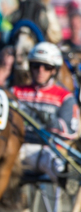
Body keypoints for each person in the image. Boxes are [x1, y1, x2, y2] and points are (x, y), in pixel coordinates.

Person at [13, 42, 80, 185]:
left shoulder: (65, 97)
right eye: (35, 66)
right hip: (19, 147)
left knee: (61, 168)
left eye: (47, 67)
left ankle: (66, 187)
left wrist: (50, 120)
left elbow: (70, 131)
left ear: (54, 70)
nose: (40, 71)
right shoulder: (16, 92)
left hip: (48, 149)